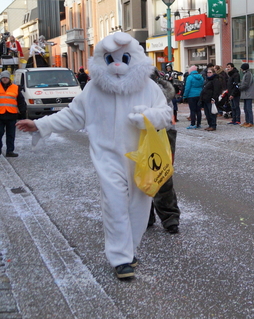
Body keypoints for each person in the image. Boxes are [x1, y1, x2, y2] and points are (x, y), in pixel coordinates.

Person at [16, 32, 172, 280]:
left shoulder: (149, 87)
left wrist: (148, 116)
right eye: (111, 59)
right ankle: (120, 259)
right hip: (108, 157)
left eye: (125, 58)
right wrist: (41, 125)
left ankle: (129, 250)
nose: (118, 64)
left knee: (139, 208)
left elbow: (166, 114)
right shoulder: (94, 89)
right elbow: (72, 115)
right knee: (115, 204)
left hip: (141, 158)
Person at [148, 69, 181, 234]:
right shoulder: (130, 92)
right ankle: (147, 216)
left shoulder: (160, 93)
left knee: (163, 176)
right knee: (142, 176)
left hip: (164, 134)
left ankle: (170, 218)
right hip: (141, 136)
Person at [0, 71, 25, 157]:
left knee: (11, 135)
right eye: (3, 77)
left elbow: (21, 101)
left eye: (6, 77)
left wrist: (23, 113)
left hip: (11, 115)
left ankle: (10, 151)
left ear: (9, 78)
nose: (5, 79)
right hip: (0, 115)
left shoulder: (15, 88)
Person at [200, 67, 222, 131]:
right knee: (207, 113)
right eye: (208, 72)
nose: (208, 74)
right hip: (206, 99)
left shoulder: (216, 80)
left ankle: (213, 125)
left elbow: (216, 90)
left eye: (210, 72)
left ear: (213, 73)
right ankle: (210, 125)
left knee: (212, 113)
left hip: (211, 99)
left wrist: (214, 98)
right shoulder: (207, 80)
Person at [239, 63, 254, 128]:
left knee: (248, 108)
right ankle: (247, 121)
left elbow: (246, 84)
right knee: (245, 108)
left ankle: (250, 122)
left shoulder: (248, 74)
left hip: (248, 93)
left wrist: (239, 87)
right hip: (246, 94)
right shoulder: (245, 74)